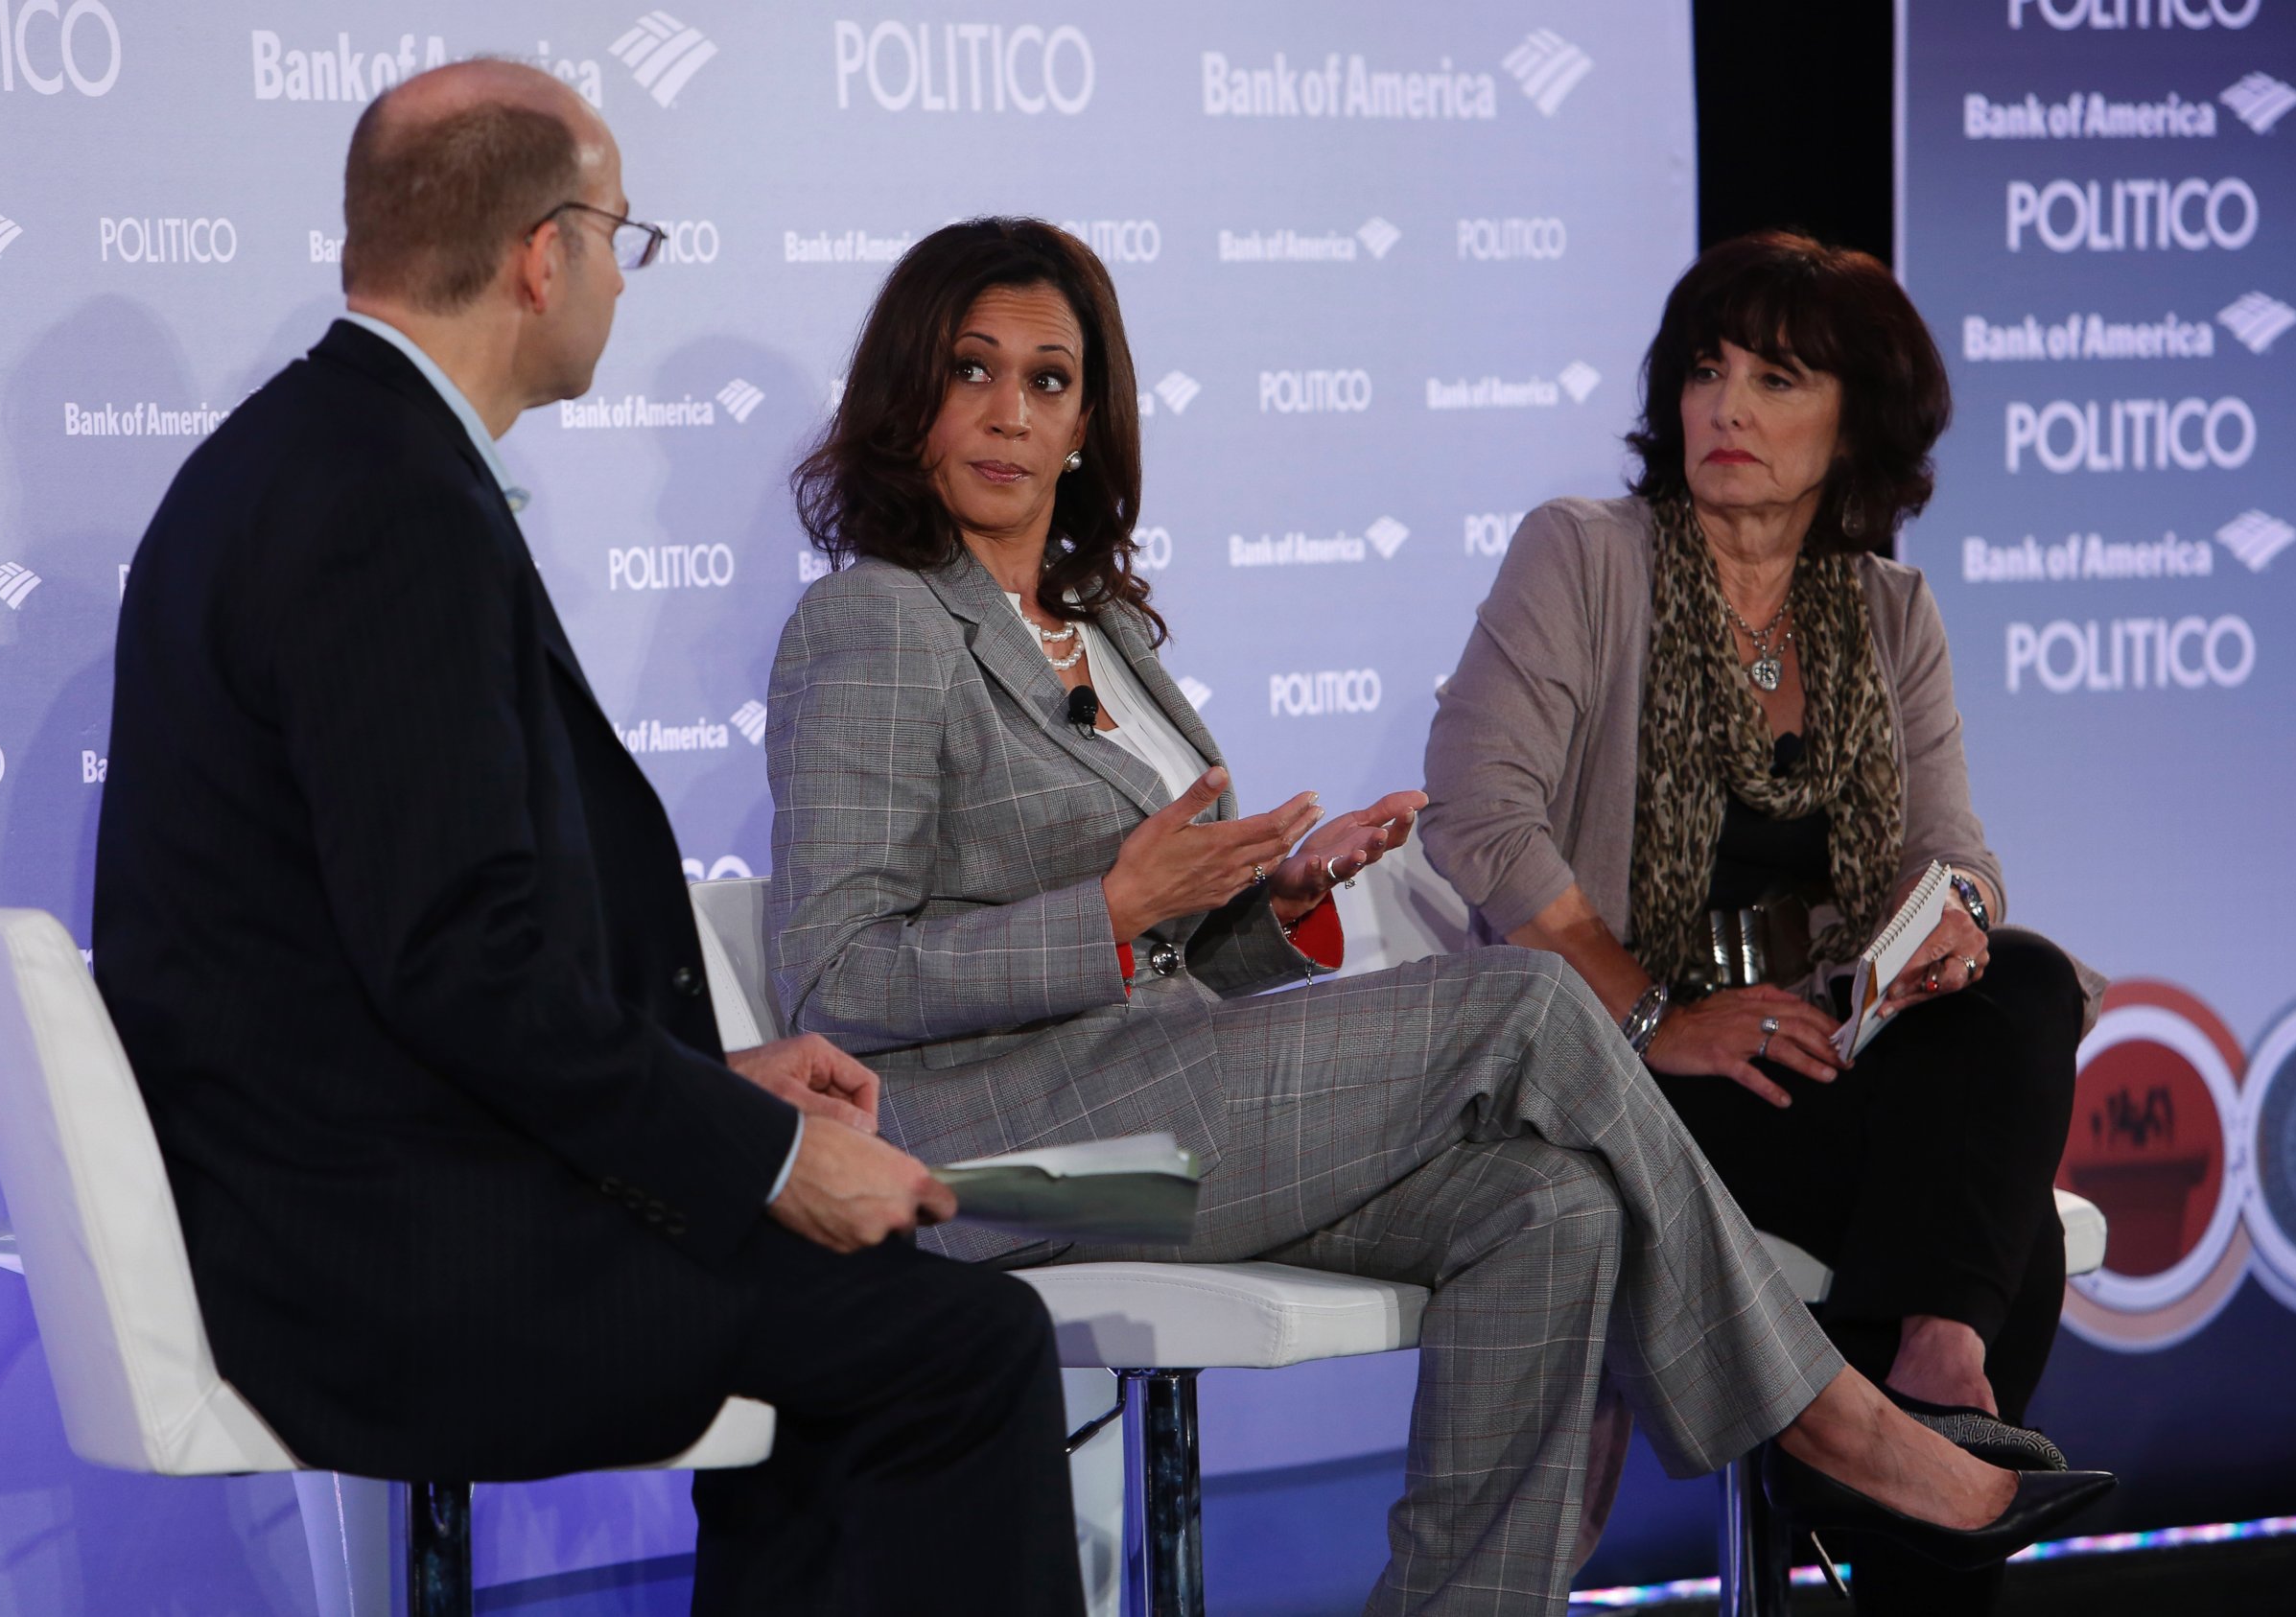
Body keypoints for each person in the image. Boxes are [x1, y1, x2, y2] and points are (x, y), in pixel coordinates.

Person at [762, 218, 2110, 1617]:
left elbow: (1160, 957)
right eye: (970, 370)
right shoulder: (874, 621)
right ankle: (1832, 1423)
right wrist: (1108, 907)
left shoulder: (1104, 629)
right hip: (1008, 1155)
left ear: (1090, 419)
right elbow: (839, 978)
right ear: (904, 395)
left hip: (1149, 1113)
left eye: (1048, 380)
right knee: (1531, 999)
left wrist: (1261, 912)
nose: (1008, 413)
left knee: (1559, 1203)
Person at [93, 63, 1082, 1615]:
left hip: (358, 1190)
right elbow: (458, 962)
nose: (624, 278)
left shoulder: (323, 458)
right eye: (623, 236)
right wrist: (757, 1156)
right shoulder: (380, 501)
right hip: (384, 1255)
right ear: (542, 255)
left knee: (882, 1321)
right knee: (955, 1349)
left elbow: (417, 948)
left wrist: (710, 1087)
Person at [1420, 229, 2103, 1613]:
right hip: (1625, 1069)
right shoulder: (1586, 557)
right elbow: (1477, 812)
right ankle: (1926, 1406)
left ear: (1858, 419)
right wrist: (1658, 1017)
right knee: (2003, 1224)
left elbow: (1954, 855)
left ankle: (1914, 1388)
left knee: (2023, 980)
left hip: (1830, 1048)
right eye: (1705, 370)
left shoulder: (1889, 610)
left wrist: (1951, 928)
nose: (1726, 407)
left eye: (1777, 378)